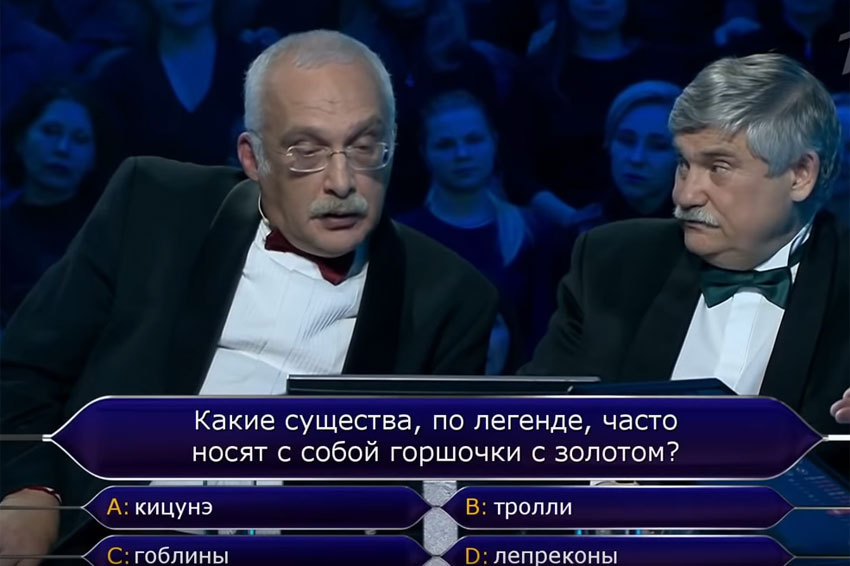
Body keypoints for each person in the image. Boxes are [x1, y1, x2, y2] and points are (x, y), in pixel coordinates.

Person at [0, 29, 498, 561]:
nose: (342, 181)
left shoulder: (449, 298)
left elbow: (438, 505)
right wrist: (32, 489)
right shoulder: (155, 206)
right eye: (306, 150)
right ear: (254, 158)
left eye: (364, 147)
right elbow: (24, 372)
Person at [523, 53, 848, 474]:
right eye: (683, 164)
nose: (685, 194)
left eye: (718, 167)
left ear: (800, 174)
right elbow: (530, 429)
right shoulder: (612, 262)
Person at [398, 90, 557, 373]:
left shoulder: (533, 232)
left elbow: (545, 332)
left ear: (494, 142)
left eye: (474, 140)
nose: (462, 154)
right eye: (446, 145)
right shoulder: (403, 237)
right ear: (425, 153)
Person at [0, 83, 118, 326]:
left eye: (80, 139)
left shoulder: (109, 237)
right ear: (20, 139)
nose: (62, 149)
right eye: (51, 131)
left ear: (95, 156)